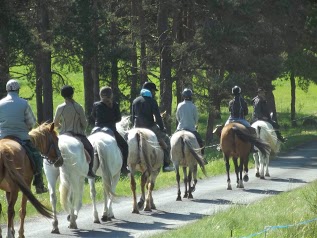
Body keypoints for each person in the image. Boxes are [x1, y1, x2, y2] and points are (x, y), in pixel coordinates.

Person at [0, 79, 48, 194]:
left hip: (2, 136)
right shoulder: (24, 103)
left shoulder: (0, 103)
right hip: (21, 137)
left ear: (7, 90)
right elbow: (32, 122)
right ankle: (39, 183)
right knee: (36, 156)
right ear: (18, 90)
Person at [53, 85, 96, 178]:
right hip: (77, 134)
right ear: (72, 94)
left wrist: (62, 126)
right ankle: (89, 171)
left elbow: (55, 124)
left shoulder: (60, 107)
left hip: (63, 134)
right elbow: (84, 124)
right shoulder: (78, 107)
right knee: (90, 149)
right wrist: (81, 128)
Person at [131, 81, 174, 172]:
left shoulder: (135, 101)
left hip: (136, 127)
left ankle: (127, 165)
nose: (154, 93)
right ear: (150, 90)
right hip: (149, 127)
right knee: (166, 139)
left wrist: (133, 128)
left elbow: (132, 117)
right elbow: (158, 117)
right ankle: (166, 164)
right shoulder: (152, 101)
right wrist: (162, 128)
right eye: (154, 91)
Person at [90, 86, 129, 174]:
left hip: (97, 128)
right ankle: (124, 167)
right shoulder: (115, 104)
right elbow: (118, 119)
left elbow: (92, 117)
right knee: (125, 146)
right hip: (110, 128)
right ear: (111, 95)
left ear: (100, 95)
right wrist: (111, 120)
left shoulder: (96, 105)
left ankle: (88, 168)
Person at [225, 85, 257, 152]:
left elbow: (230, 110)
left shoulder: (231, 102)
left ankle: (221, 145)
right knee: (252, 130)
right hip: (241, 119)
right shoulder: (244, 102)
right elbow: (246, 113)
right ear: (240, 92)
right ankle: (252, 147)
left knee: (223, 129)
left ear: (233, 93)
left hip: (231, 119)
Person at [175, 88, 205, 155]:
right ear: (191, 96)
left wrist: (182, 122)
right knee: (201, 142)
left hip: (180, 128)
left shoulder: (179, 105)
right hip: (191, 129)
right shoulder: (193, 106)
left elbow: (177, 117)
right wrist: (194, 124)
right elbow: (196, 118)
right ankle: (202, 157)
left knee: (171, 140)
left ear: (183, 96)